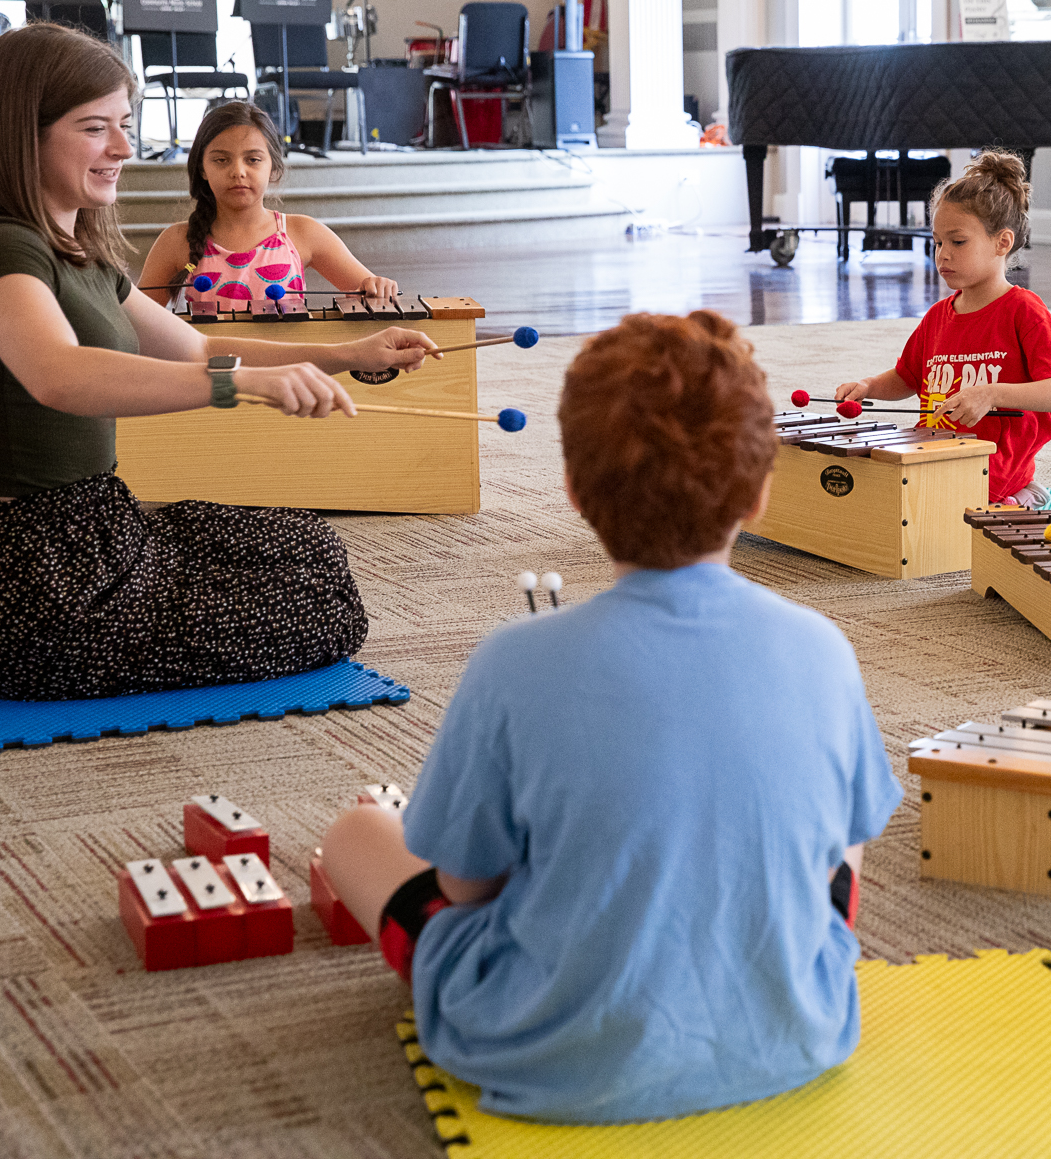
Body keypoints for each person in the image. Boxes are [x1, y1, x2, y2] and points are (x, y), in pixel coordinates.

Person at [318, 311, 902, 1125]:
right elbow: (847, 835)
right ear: (762, 491)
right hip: (799, 1030)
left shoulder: (511, 662)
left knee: (357, 835)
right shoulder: (823, 646)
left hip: (546, 1050)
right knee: (841, 821)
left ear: (573, 491)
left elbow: (463, 884)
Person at [0, 22, 436, 701]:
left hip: (102, 528)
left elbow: (198, 345)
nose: (122, 147)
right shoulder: (1, 250)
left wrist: (347, 353)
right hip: (37, 581)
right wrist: (242, 387)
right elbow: (59, 374)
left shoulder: (79, 254)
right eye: (94, 128)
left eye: (123, 123)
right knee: (313, 607)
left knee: (309, 546)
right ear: (25, 133)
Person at [832, 151, 1051, 506]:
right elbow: (908, 377)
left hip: (994, 470)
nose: (942, 254)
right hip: (934, 458)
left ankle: (1023, 498)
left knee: (959, 520)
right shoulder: (937, 316)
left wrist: (993, 394)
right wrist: (870, 386)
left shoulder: (1023, 311)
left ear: (1002, 242)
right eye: (937, 242)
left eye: (958, 241)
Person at [136, 101, 399, 306]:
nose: (238, 171)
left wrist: (378, 287)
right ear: (202, 168)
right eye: (221, 160)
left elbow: (369, 291)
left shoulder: (302, 232)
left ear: (273, 167)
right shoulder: (175, 241)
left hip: (285, 373)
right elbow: (139, 324)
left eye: (253, 159)